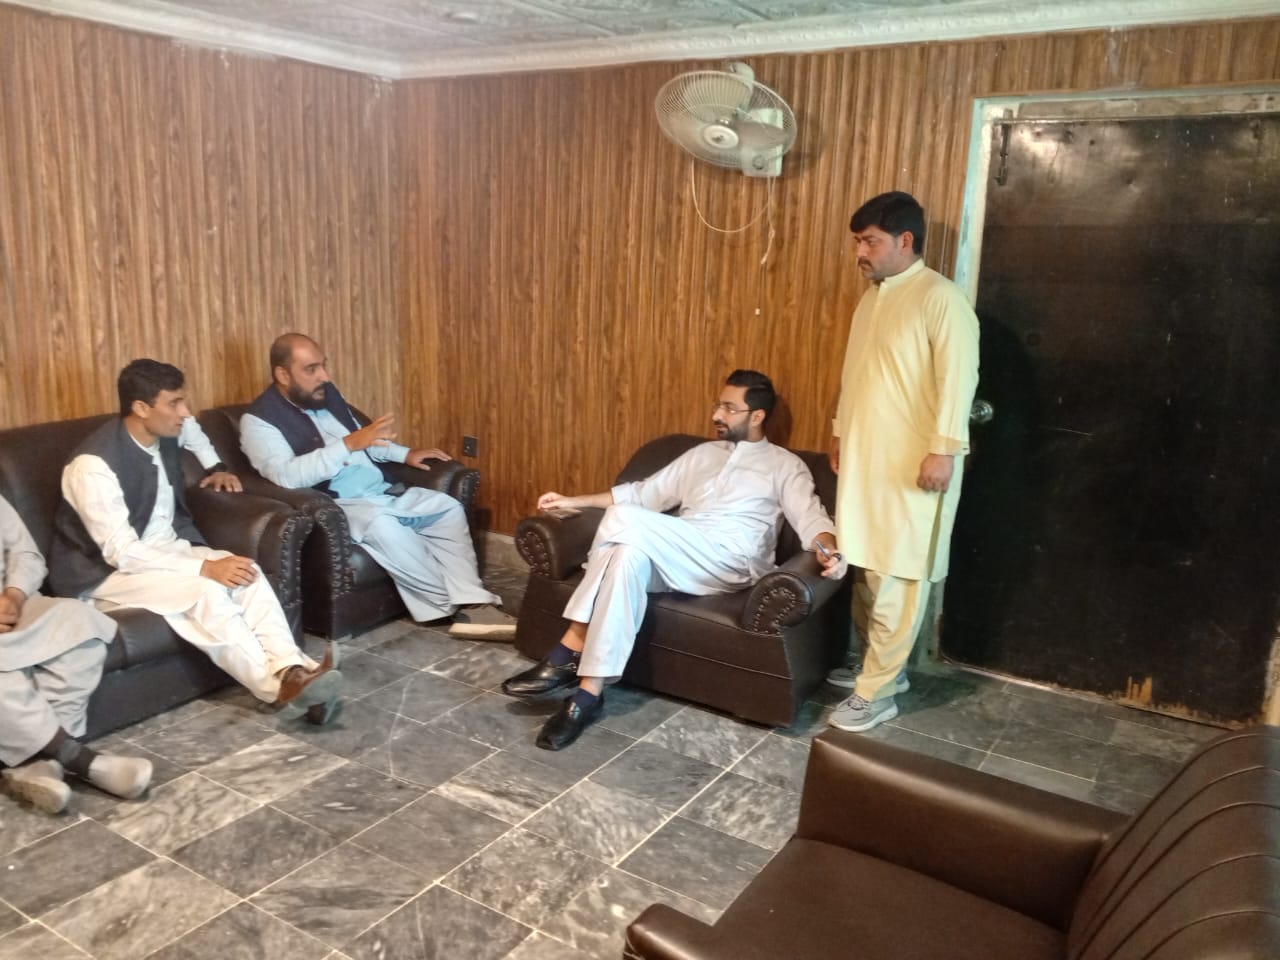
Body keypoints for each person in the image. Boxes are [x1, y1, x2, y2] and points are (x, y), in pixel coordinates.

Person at [502, 370, 845, 750]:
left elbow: (811, 519)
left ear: (757, 416)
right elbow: (641, 494)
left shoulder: (784, 465)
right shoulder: (702, 454)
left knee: (622, 522)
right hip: (680, 550)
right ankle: (587, 695)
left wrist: (828, 550)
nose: (717, 415)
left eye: (729, 408)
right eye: (718, 405)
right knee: (624, 556)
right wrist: (572, 501)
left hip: (731, 559)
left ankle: (570, 645)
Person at [51, 359, 343, 724]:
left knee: (245, 571)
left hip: (166, 549)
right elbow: (120, 552)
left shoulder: (166, 431)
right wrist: (203, 567)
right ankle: (281, 685)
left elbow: (196, 435)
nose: (186, 412)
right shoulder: (93, 467)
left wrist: (216, 468)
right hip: (104, 574)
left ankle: (293, 669)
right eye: (175, 403)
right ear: (141, 408)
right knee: (205, 591)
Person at [239, 333, 513, 636]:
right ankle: (453, 608)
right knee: (383, 524)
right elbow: (285, 476)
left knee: (447, 508)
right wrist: (346, 445)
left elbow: (367, 440)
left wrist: (405, 454)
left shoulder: (326, 395)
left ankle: (474, 601)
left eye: (323, 366)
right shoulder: (259, 421)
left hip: (381, 491)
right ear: (282, 374)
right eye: (311, 369)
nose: (324, 376)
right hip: (337, 504)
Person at [827, 191, 980, 732]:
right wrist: (840, 431)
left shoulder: (941, 298)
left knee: (898, 575)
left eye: (869, 242)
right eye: (857, 242)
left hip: (914, 466)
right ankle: (877, 669)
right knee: (866, 566)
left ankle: (878, 691)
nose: (860, 253)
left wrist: (943, 449)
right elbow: (855, 374)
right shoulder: (871, 299)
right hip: (866, 461)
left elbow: (958, 381)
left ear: (905, 240)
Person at [0, 494, 153, 814]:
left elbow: (26, 554)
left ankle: (39, 765)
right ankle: (77, 758)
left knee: (80, 624)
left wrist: (14, 596)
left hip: (13, 604)